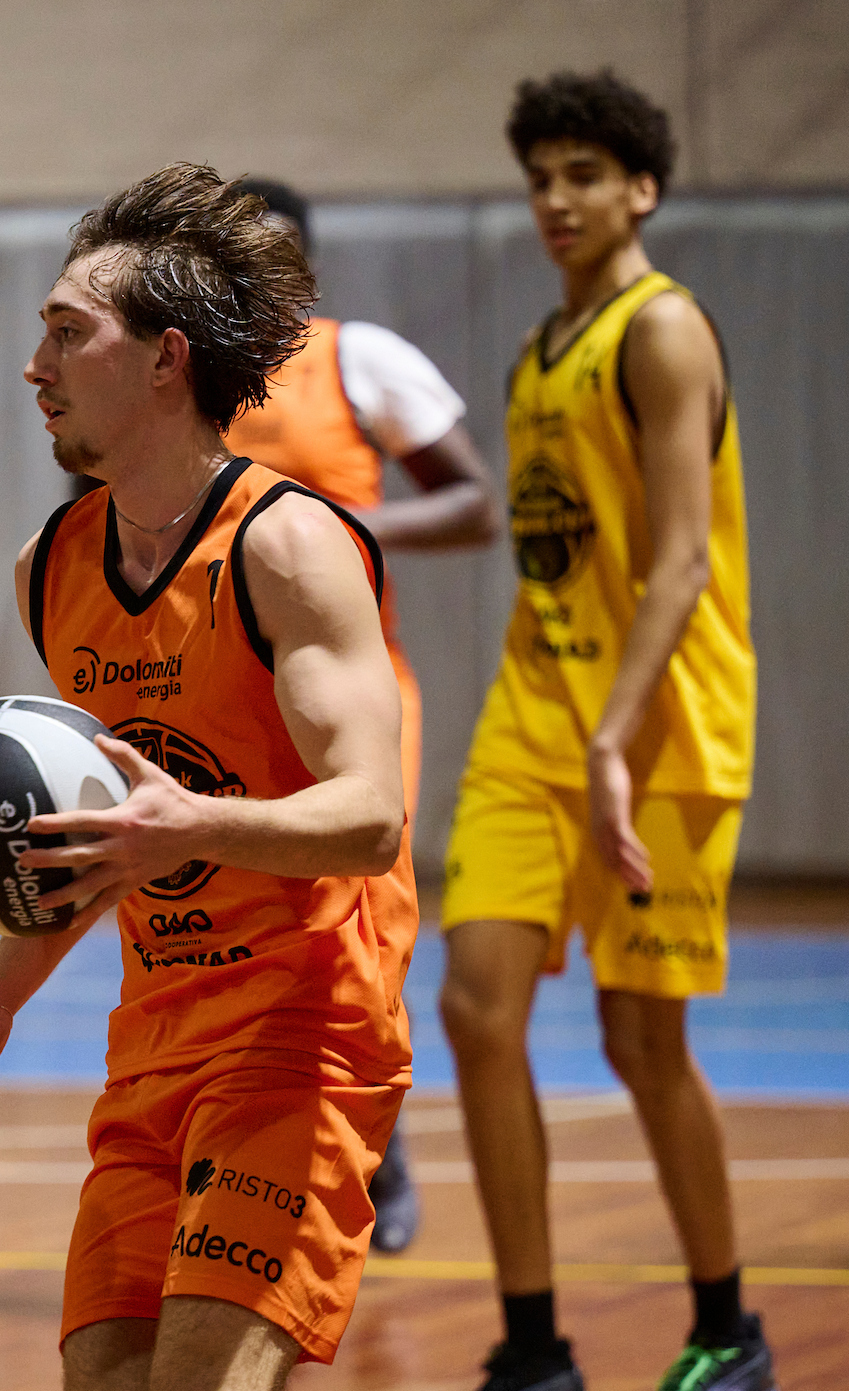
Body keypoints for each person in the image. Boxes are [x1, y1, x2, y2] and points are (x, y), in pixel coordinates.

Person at [0, 165, 572, 1391]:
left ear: (165, 361)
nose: (35, 367)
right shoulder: (53, 565)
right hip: (160, 1038)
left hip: (305, 1031)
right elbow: (98, 838)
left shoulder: (288, 544)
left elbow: (370, 815)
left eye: (65, 333)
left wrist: (187, 831)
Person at [417, 71, 776, 1391]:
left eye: (583, 175)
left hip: (666, 727)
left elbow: (682, 558)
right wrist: (563, 727)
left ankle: (728, 1332)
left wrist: (619, 739)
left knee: (643, 1042)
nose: (556, 202)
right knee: (474, 1008)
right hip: (535, 719)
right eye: (539, 179)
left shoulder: (663, 331)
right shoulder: (536, 346)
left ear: (643, 189)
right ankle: (531, 1352)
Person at [223, 176, 502, 1255]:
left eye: (276, 254)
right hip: (214, 700)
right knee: (242, 942)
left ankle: (381, 1148)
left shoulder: (359, 360)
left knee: (357, 932)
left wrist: (347, 520)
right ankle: (263, 1163)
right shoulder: (176, 380)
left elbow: (477, 501)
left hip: (351, 694)